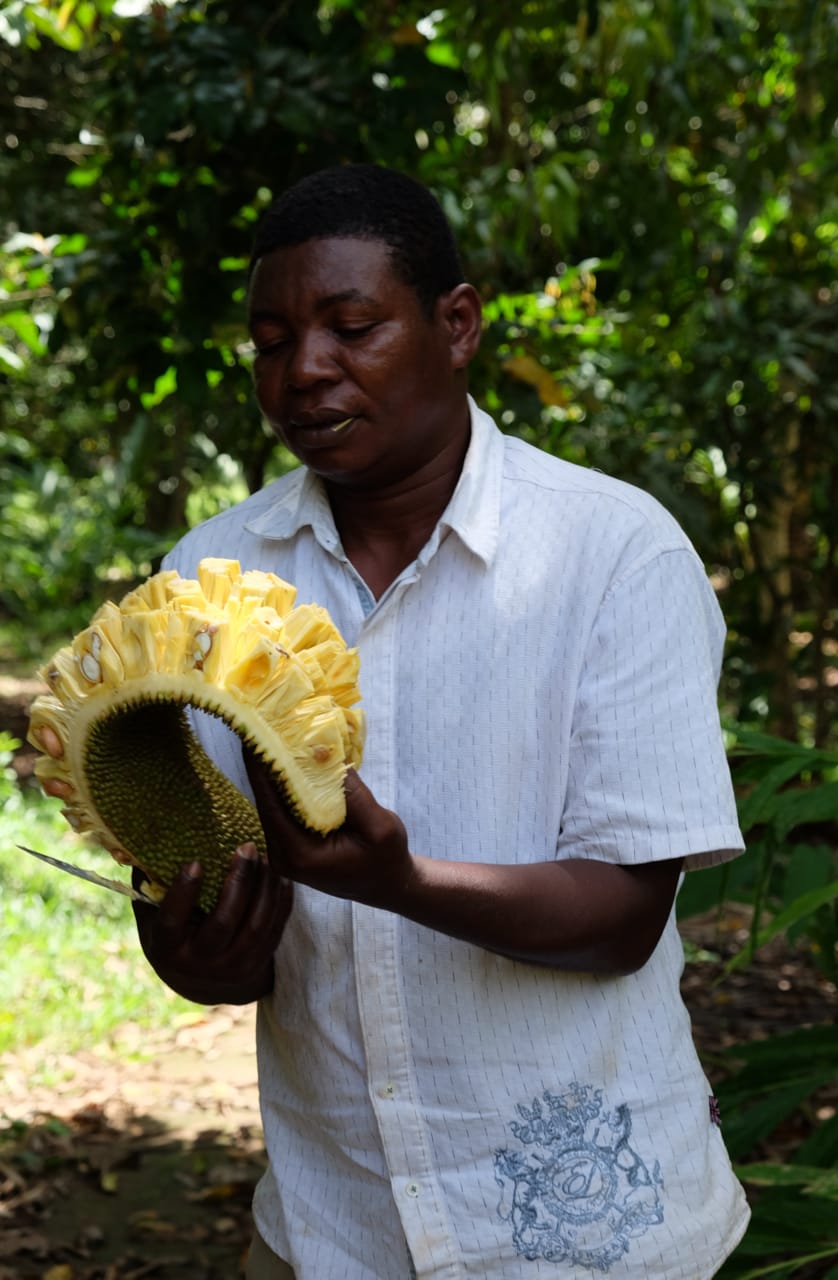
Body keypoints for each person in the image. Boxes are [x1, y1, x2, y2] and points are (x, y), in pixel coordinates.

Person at [133, 163, 750, 1279]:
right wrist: (191, 949)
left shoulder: (615, 554)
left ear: (455, 325)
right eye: (271, 341)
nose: (303, 369)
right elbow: (220, 905)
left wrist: (398, 879)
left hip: (590, 1245)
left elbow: (623, 915)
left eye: (350, 324)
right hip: (330, 1233)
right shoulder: (206, 580)